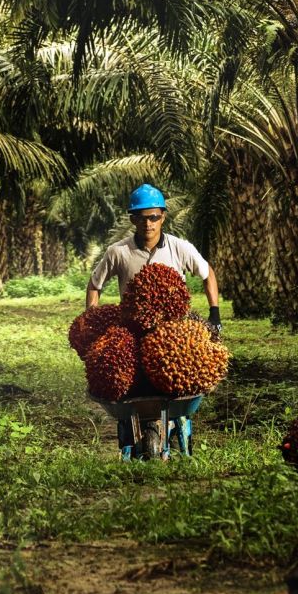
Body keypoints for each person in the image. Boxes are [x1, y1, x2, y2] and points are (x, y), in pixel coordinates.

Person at [86, 183, 221, 459]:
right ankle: (134, 430)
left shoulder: (180, 248)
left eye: (153, 217)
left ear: (163, 216)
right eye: (141, 217)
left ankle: (173, 425)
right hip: (132, 332)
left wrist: (215, 312)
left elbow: (207, 274)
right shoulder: (118, 252)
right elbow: (94, 284)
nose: (148, 223)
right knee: (129, 383)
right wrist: (91, 318)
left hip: (175, 336)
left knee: (177, 385)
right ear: (132, 219)